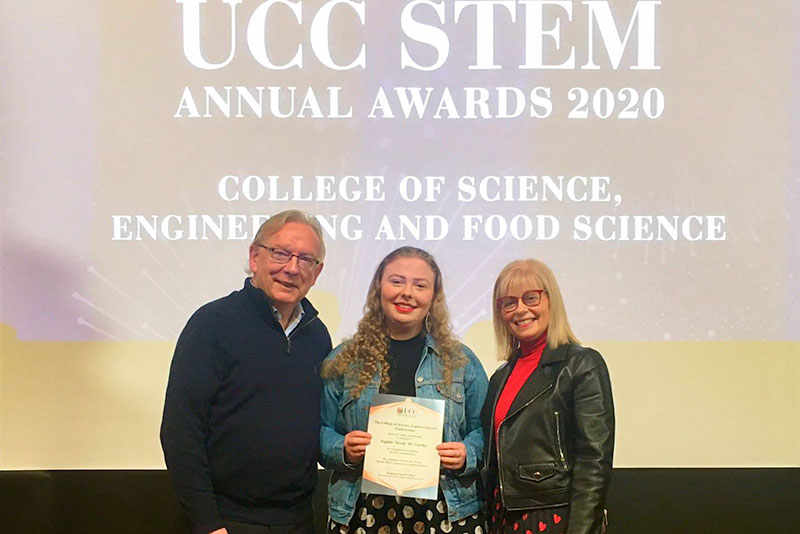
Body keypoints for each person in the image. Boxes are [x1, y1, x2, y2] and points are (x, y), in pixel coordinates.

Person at [160, 210, 331, 534]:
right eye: (280, 253)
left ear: (317, 272)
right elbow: (181, 431)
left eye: (306, 259)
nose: (292, 268)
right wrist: (207, 522)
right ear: (255, 256)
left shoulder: (317, 335)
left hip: (298, 519)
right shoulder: (212, 324)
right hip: (227, 521)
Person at [320, 246, 489, 534]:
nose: (407, 292)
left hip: (446, 510)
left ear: (433, 297)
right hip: (362, 510)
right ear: (378, 287)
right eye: (396, 281)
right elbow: (320, 430)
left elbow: (485, 431)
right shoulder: (343, 360)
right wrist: (343, 449)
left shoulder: (461, 361)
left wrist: (466, 454)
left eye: (420, 285)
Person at [481, 259, 614, 534]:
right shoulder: (500, 377)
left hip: (556, 518)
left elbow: (593, 461)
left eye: (531, 298)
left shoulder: (581, 365)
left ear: (551, 301)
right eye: (509, 302)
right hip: (502, 517)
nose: (521, 309)